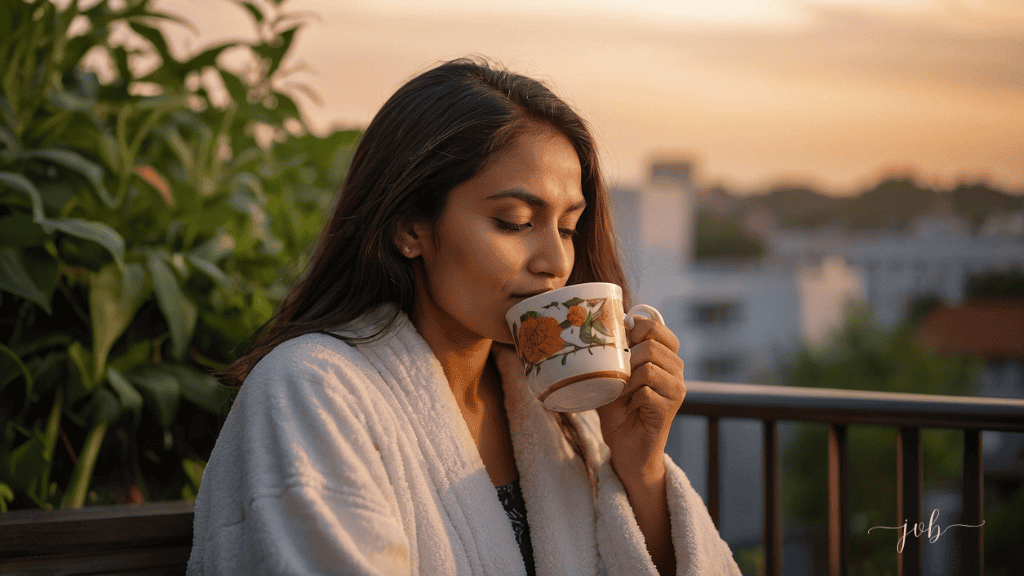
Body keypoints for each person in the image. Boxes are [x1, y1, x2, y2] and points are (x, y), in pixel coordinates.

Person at [187, 57, 740, 576]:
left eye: (568, 227)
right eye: (515, 221)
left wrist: (640, 468)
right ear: (410, 227)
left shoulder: (555, 411)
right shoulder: (311, 390)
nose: (554, 263)